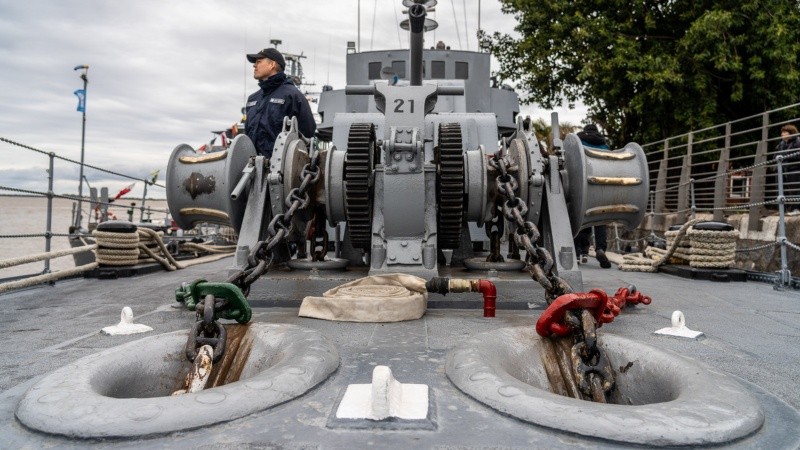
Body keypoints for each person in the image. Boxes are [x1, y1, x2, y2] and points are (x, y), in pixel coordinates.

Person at [244, 47, 316, 158]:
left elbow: (307, 133)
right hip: (251, 165)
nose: (254, 65)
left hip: (280, 167)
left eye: (258, 62)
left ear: (272, 65)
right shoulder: (252, 99)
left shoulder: (293, 96)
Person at [574, 124, 612, 268]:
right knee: (600, 218)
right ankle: (600, 248)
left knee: (581, 218)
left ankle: (580, 251)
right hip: (600, 185)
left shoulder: (578, 142)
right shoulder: (605, 146)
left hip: (582, 185)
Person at [774, 124, 800, 212]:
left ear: (791, 133)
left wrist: (785, 157)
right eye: (782, 132)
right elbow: (775, 156)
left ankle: (795, 208)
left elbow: (797, 155)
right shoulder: (781, 144)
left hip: (794, 169)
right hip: (784, 170)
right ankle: (785, 209)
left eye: (785, 132)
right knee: (784, 190)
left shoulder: (797, 142)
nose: (782, 134)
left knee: (795, 190)